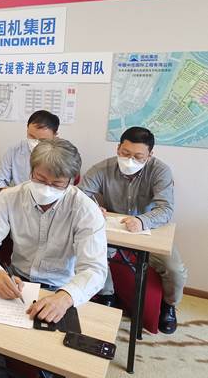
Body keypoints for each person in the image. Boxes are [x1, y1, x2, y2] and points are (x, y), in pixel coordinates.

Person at [0, 138, 107, 378]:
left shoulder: (85, 210)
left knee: (53, 357)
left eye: (57, 184)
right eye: (40, 179)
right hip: (17, 281)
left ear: (72, 180)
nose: (47, 188)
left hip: (60, 287)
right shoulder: (9, 198)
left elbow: (95, 270)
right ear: (31, 170)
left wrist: (65, 298)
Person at [78, 126, 187, 334]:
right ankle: (107, 295)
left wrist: (142, 220)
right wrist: (92, 207)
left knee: (174, 269)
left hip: (150, 230)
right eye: (125, 153)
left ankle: (169, 306)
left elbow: (166, 208)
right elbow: (79, 195)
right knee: (91, 250)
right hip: (114, 229)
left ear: (150, 155)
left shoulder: (160, 171)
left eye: (138, 157)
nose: (130, 160)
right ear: (118, 148)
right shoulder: (103, 168)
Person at [0, 110, 59, 193]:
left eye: (42, 140)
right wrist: (9, 194)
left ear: (55, 136)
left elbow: (65, 189)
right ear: (27, 130)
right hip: (19, 197)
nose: (35, 143)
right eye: (32, 136)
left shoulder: (64, 155)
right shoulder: (14, 151)